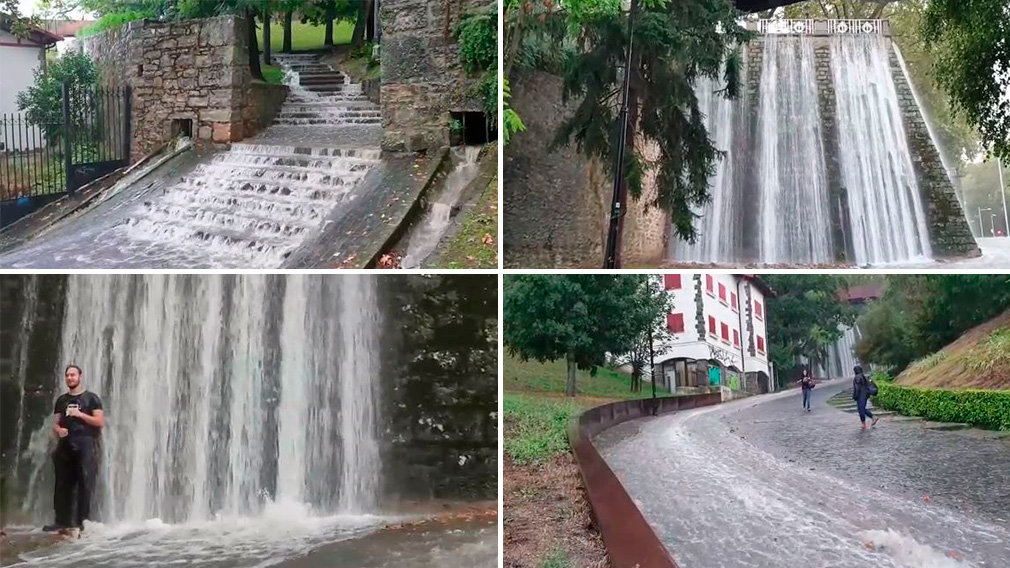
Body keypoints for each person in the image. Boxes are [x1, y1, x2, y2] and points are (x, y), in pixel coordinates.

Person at [44, 364, 104, 537]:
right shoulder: (61, 400)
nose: (70, 378)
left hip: (86, 444)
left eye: (73, 375)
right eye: (67, 375)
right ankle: (61, 521)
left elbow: (99, 421)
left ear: (80, 377)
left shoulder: (91, 398)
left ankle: (84, 522)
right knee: (62, 484)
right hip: (65, 445)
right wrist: (58, 430)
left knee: (86, 482)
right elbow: (55, 423)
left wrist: (80, 415)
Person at [852, 364, 879, 430]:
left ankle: (863, 424)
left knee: (861, 409)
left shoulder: (857, 377)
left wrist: (855, 396)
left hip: (861, 395)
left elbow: (857, 388)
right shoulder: (863, 376)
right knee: (862, 409)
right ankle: (873, 418)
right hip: (865, 394)